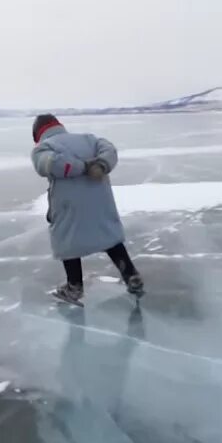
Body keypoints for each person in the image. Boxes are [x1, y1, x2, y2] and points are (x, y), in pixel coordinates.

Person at [30, 114, 144, 303]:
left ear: (38, 133)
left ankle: (74, 287)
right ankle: (130, 275)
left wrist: (80, 167)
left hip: (69, 205)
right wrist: (99, 165)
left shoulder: (43, 148)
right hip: (99, 200)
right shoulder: (89, 140)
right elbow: (110, 150)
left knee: (67, 241)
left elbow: (51, 164)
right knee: (109, 236)